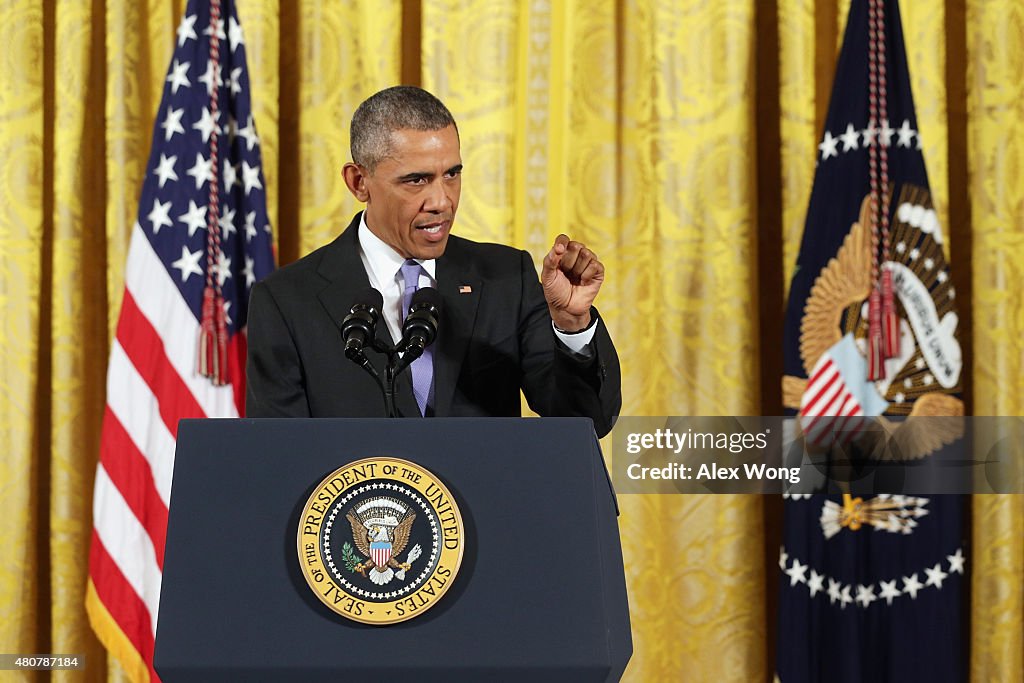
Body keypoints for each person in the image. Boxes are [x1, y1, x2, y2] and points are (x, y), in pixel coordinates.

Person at [245, 86, 621, 437]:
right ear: (359, 182)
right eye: (416, 180)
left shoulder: (507, 277)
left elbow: (586, 422)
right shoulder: (286, 301)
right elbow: (280, 457)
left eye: (452, 174)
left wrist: (572, 324)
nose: (442, 201)